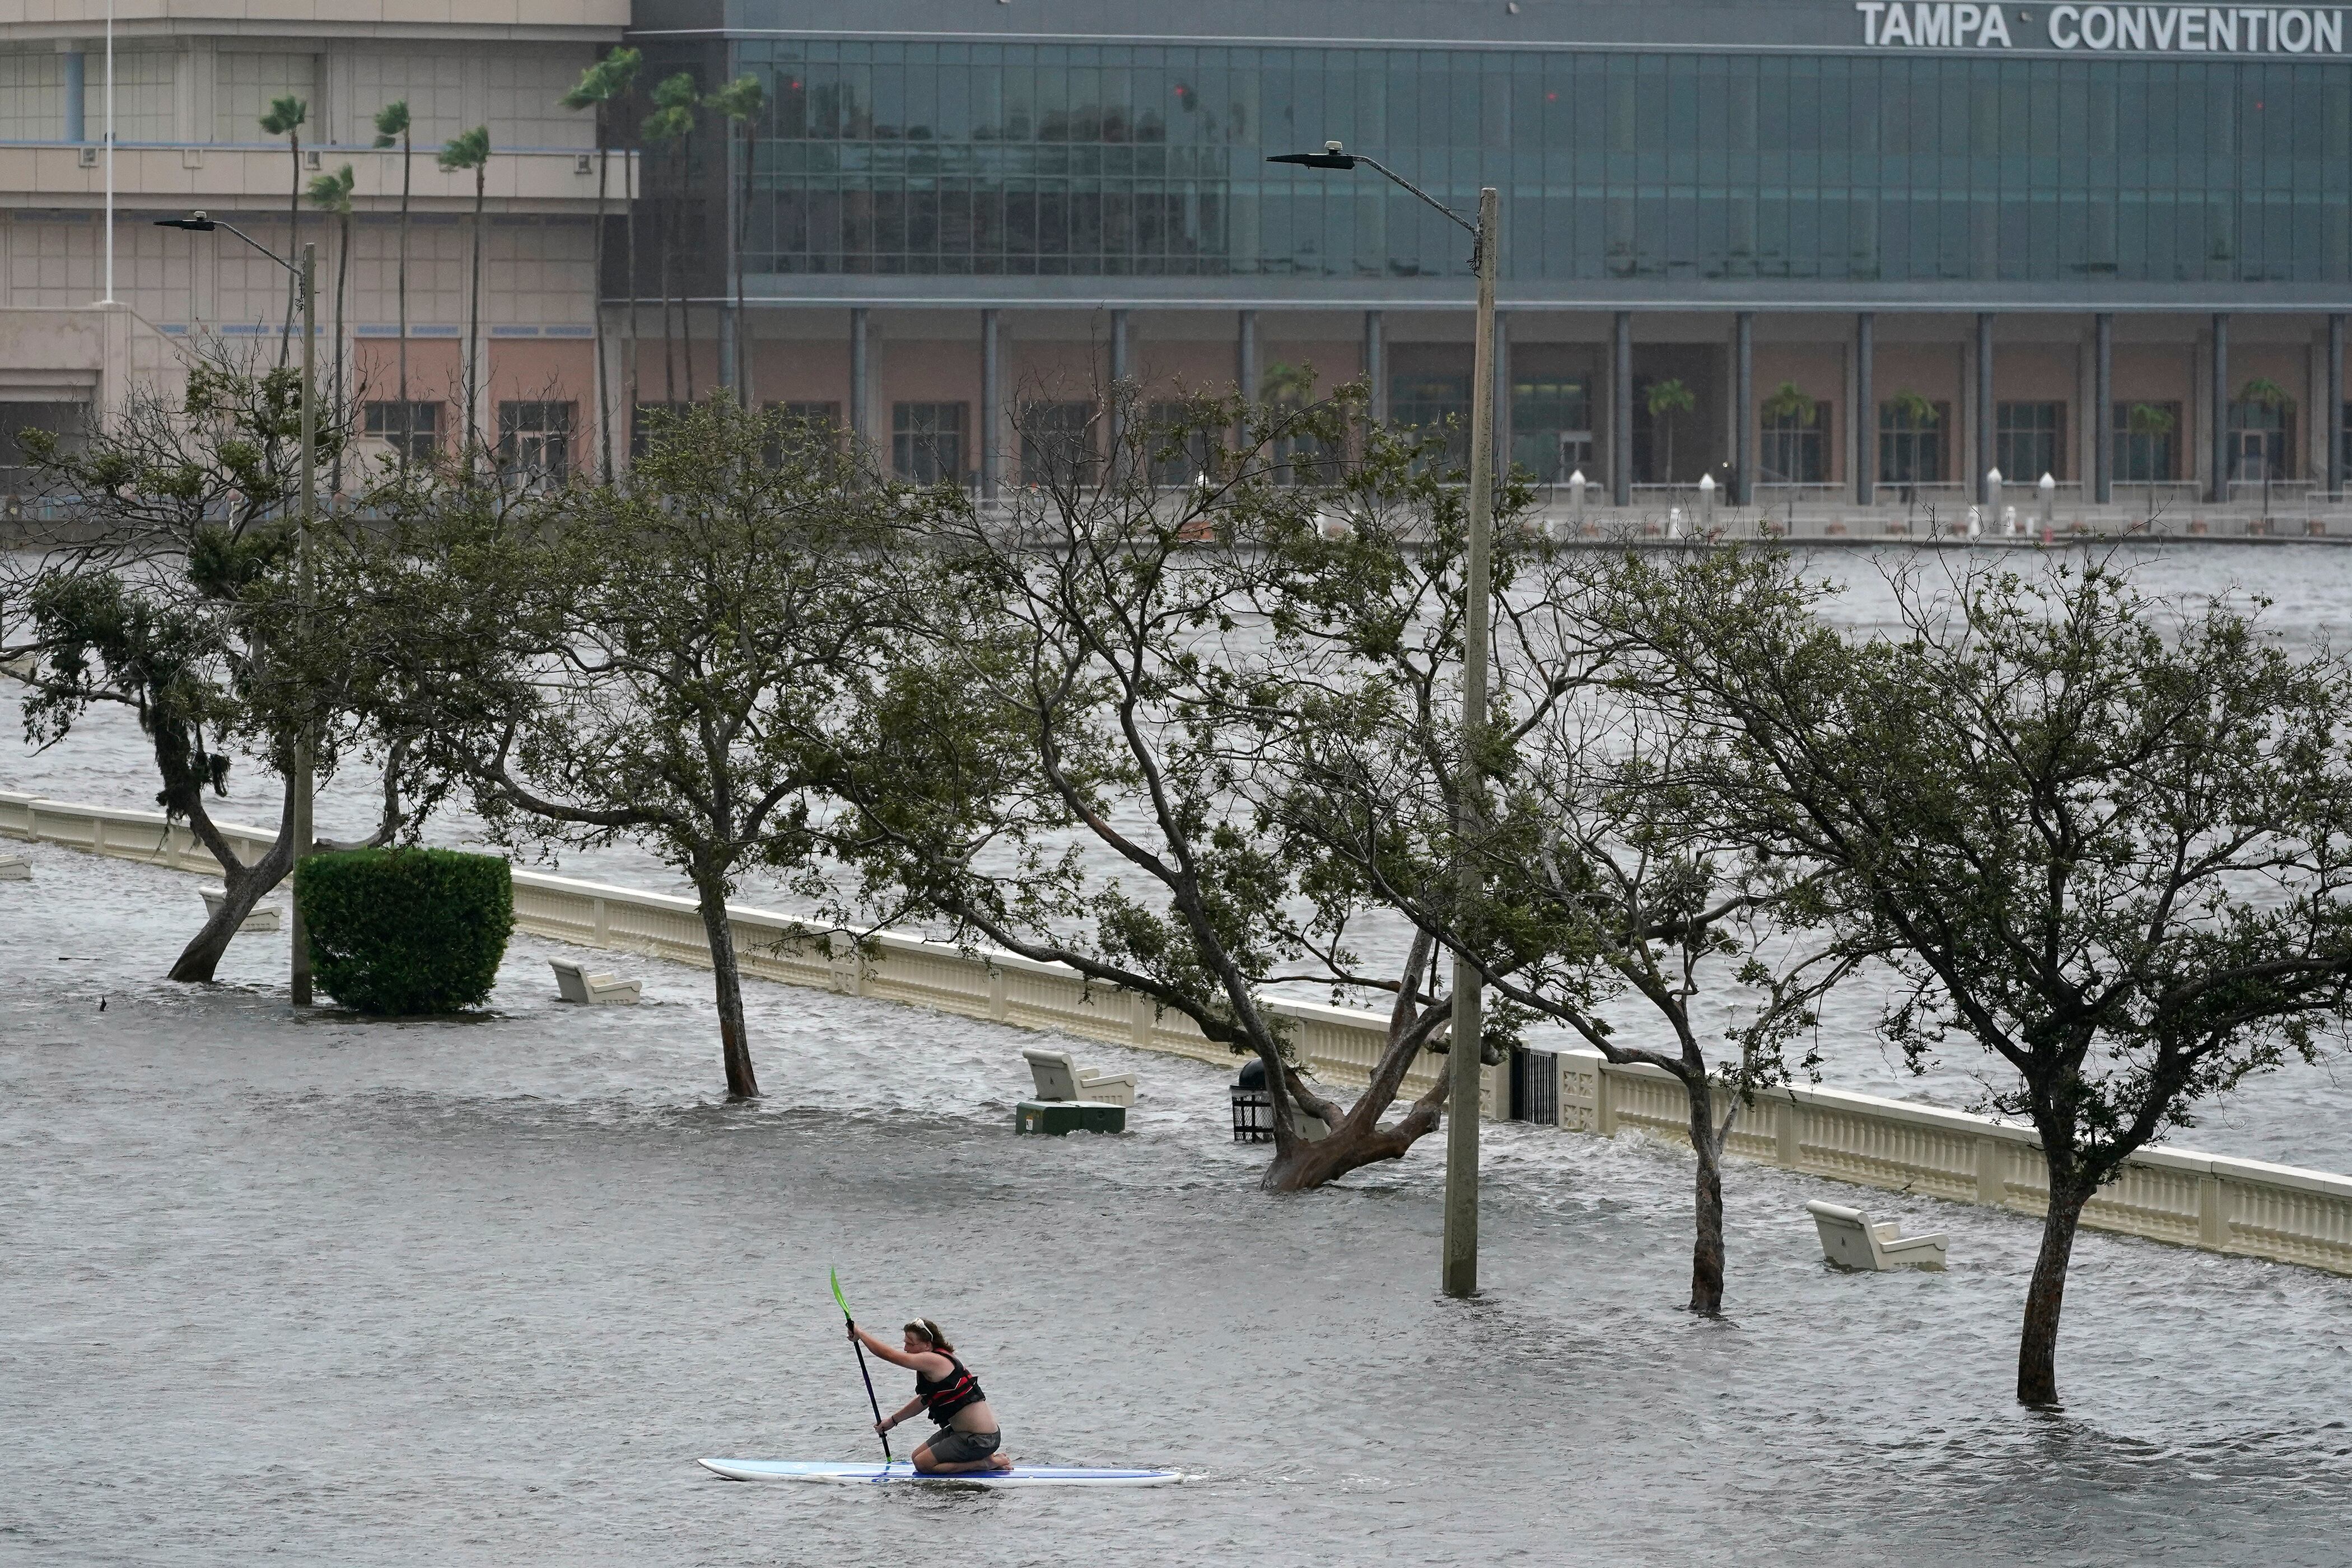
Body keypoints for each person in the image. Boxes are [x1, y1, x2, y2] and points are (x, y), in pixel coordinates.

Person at [849, 1317, 1012, 1474]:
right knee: (916, 1457)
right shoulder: (933, 1367)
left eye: (910, 1344)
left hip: (981, 1439)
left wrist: (861, 1334)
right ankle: (984, 1459)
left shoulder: (934, 1361)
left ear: (928, 1345)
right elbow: (924, 1400)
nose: (906, 1349)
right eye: (905, 1343)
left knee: (923, 1464)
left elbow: (891, 1356)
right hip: (962, 1433)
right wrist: (892, 1421)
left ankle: (986, 1463)